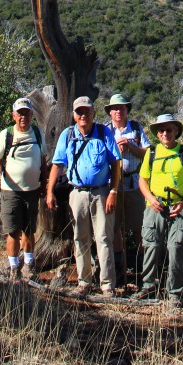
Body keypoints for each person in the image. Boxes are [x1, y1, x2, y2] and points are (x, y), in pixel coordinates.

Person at [46, 96, 122, 297]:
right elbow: (57, 164)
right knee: (80, 238)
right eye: (79, 112)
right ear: (74, 115)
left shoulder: (103, 133)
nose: (83, 115)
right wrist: (50, 191)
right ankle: (84, 282)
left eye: (86, 111)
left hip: (101, 193)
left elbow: (116, 163)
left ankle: (107, 285)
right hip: (77, 194)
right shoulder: (67, 135)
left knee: (103, 238)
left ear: (93, 113)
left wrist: (113, 191)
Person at [135, 113, 183, 308]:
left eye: (169, 130)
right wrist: (151, 199)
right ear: (157, 133)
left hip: (178, 207)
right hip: (155, 206)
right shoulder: (151, 153)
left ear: (176, 131)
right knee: (151, 246)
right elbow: (143, 180)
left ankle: (175, 293)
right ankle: (148, 287)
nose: (165, 133)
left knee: (176, 249)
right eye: (161, 130)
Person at [0, 96, 48, 282]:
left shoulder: (38, 133)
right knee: (13, 231)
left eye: (27, 113)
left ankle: (29, 266)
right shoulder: (6, 135)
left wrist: (44, 183)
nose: (24, 117)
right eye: (20, 113)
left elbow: (43, 161)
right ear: (14, 116)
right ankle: (14, 268)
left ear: (32, 115)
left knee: (29, 230)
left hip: (32, 190)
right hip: (11, 190)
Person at [104, 93, 150, 285]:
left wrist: (130, 146)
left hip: (135, 185)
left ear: (127, 110)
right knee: (115, 228)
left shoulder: (136, 129)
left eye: (121, 108)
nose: (118, 111)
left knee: (139, 226)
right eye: (115, 108)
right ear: (110, 112)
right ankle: (119, 268)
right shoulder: (105, 131)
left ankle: (141, 267)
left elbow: (147, 153)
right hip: (113, 187)